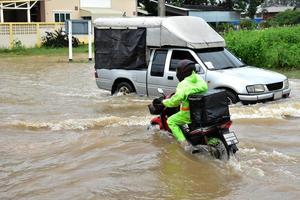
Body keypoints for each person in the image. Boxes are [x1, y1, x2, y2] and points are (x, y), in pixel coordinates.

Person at [161, 60, 208, 147]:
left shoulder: (183, 84)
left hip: (189, 114)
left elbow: (175, 102)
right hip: (203, 111)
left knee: (171, 121)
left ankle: (184, 144)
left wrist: (164, 102)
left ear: (182, 72)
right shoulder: (199, 78)